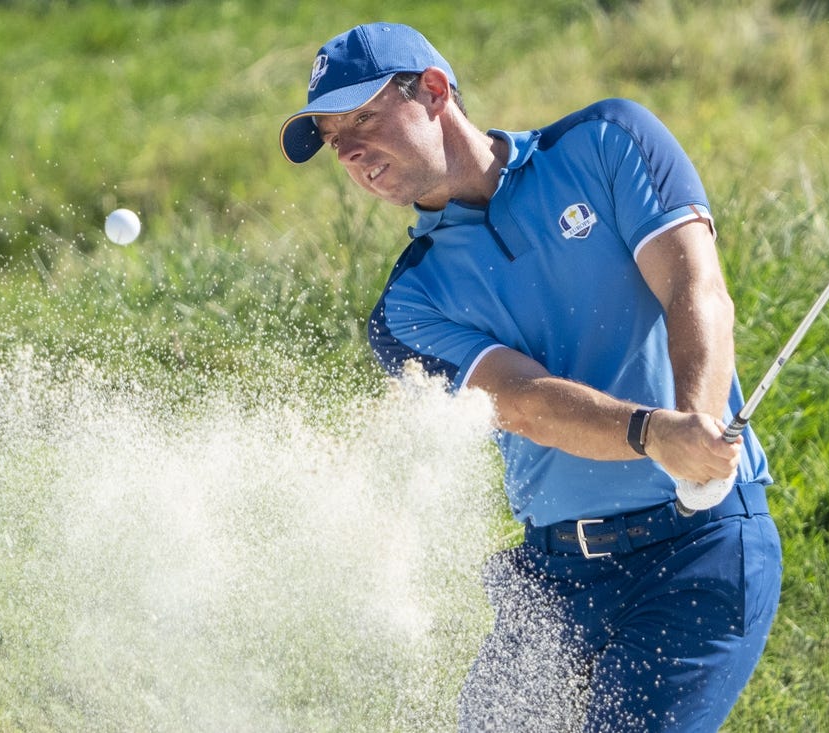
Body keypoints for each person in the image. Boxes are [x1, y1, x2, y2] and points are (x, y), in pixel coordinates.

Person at [280, 22, 781, 732]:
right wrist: (652, 432)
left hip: (694, 552)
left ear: (431, 89)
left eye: (362, 116)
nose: (352, 149)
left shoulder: (606, 140)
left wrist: (696, 432)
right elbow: (518, 402)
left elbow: (692, 287)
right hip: (552, 579)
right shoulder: (407, 305)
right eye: (334, 139)